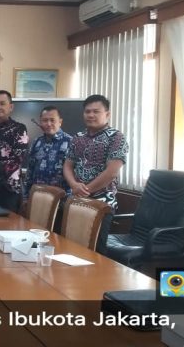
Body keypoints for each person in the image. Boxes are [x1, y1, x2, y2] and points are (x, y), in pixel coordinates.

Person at [63, 94, 128, 254]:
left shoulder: (116, 137)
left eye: (96, 111)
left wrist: (85, 190)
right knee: (71, 247)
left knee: (96, 252)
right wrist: (74, 185)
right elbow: (67, 165)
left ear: (107, 114)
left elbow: (112, 172)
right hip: (76, 200)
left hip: (101, 203)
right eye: (87, 111)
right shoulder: (77, 137)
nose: (91, 115)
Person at [25, 106, 73, 194]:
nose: (48, 124)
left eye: (52, 120)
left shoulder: (71, 142)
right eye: (45, 120)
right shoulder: (37, 142)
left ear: (60, 122)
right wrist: (26, 195)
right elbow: (30, 171)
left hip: (62, 198)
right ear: (40, 122)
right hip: (37, 195)